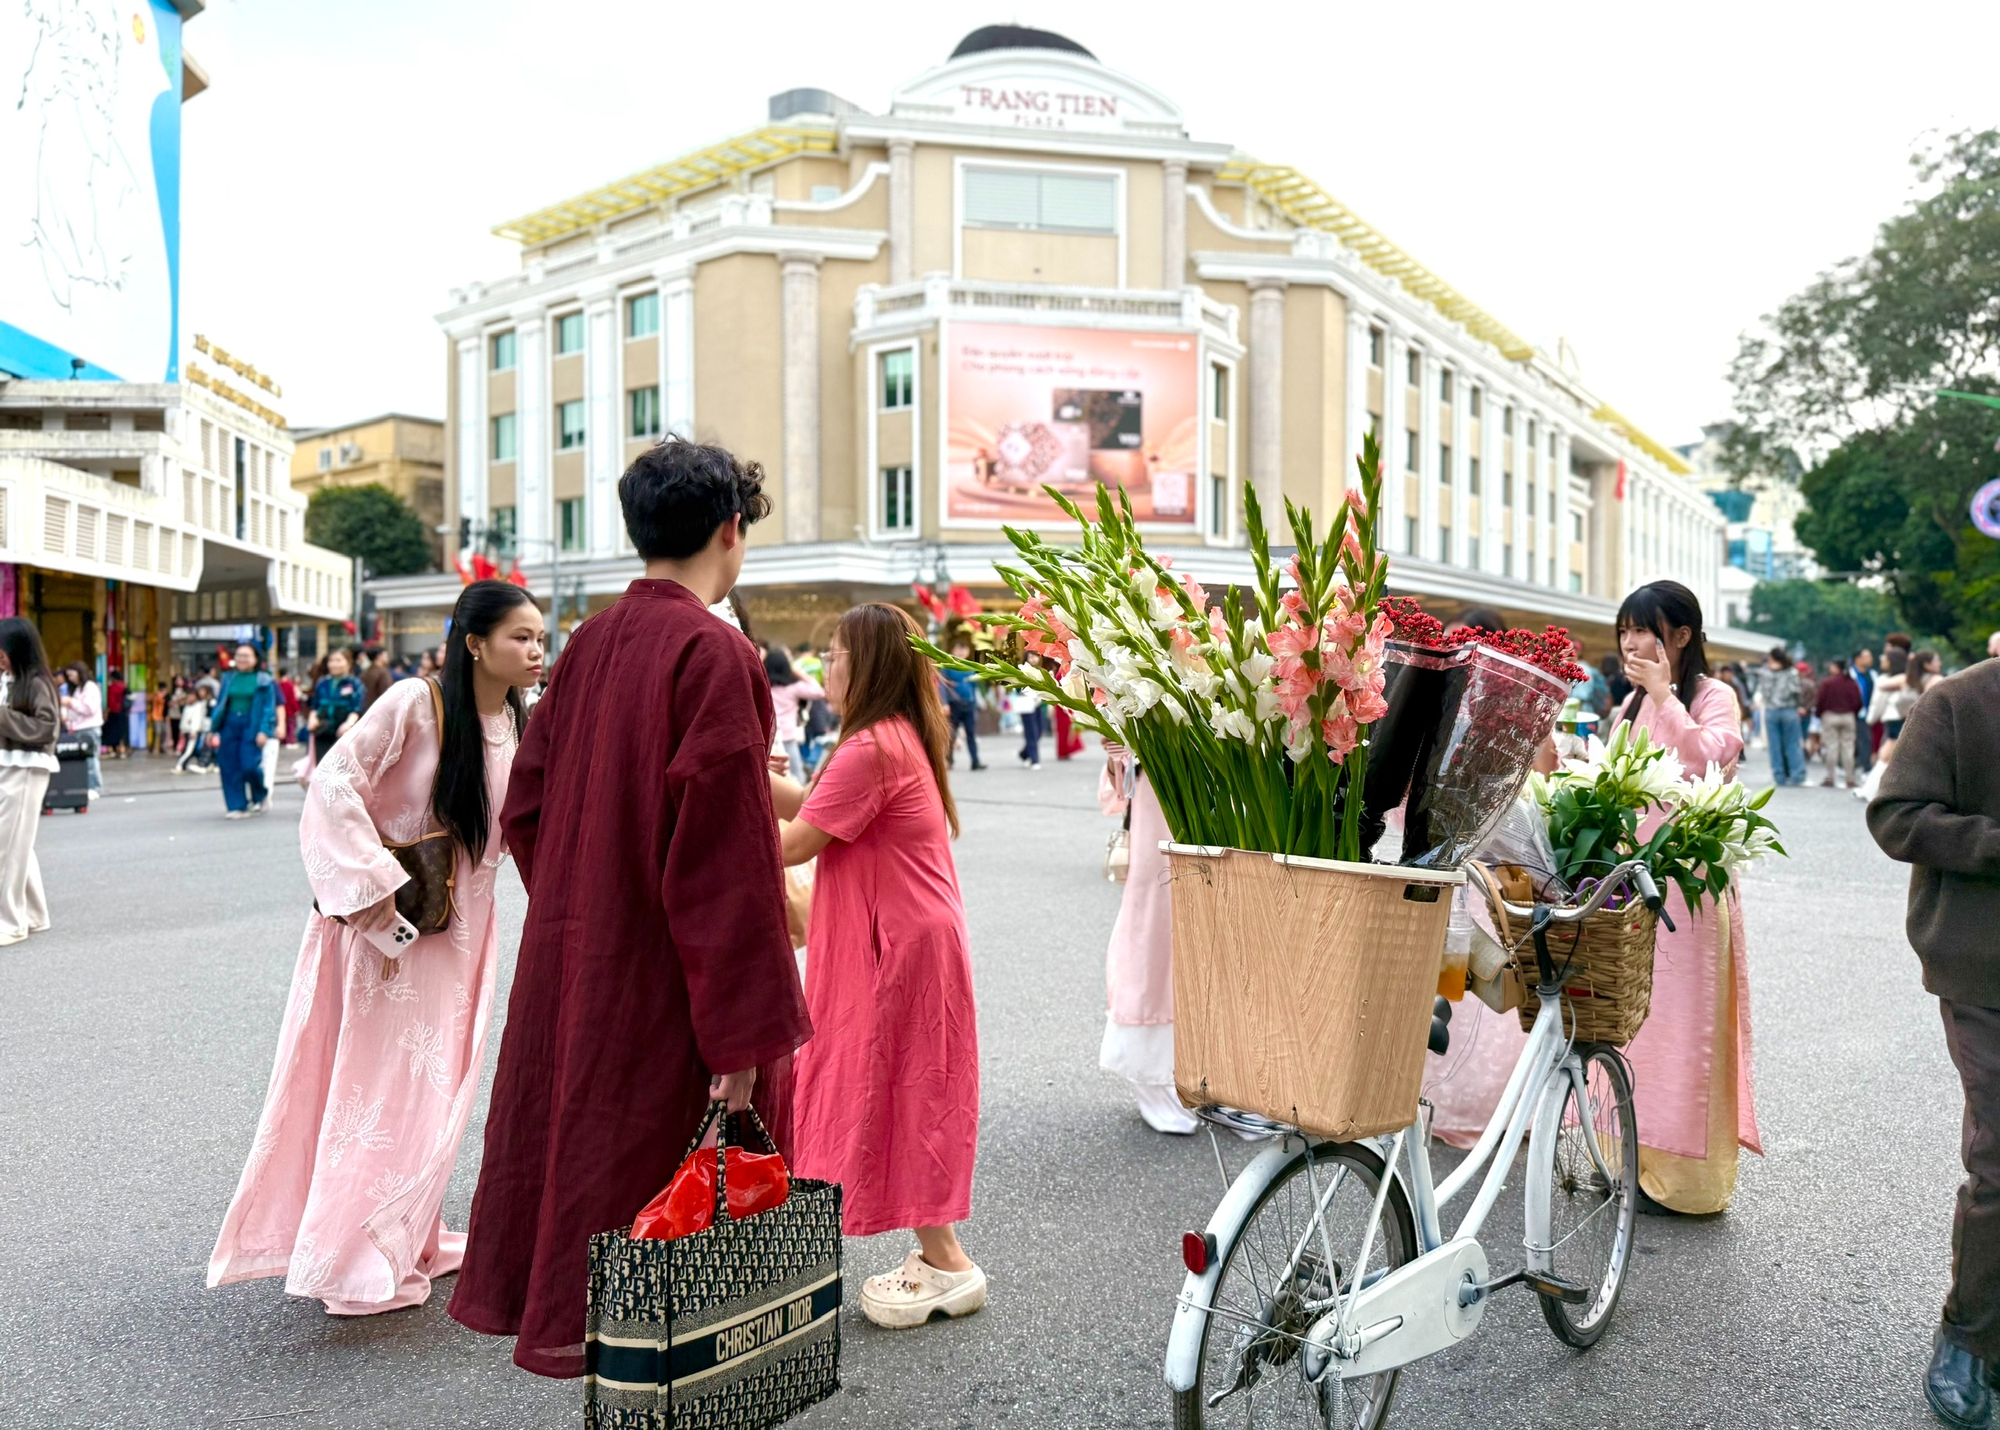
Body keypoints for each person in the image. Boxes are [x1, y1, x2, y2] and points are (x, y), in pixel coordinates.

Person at [450, 437, 810, 1378]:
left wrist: (583, 892)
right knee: (671, 1204)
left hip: (579, 959)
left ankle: (613, 1365)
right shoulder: (714, 652)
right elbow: (725, 862)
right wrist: (740, 1042)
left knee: (585, 1168)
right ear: (732, 533)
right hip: (666, 982)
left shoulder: (587, 646)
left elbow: (524, 804)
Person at [208, 581, 543, 1315]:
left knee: (435, 1089)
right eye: (521, 636)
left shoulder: (520, 723)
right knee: (379, 1086)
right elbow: (334, 783)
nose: (536, 649)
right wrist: (373, 887)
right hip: (394, 933)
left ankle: (407, 1232)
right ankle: (353, 1255)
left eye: (540, 636)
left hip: (464, 938)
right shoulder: (415, 704)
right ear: (475, 642)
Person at [772, 602, 984, 1327]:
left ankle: (949, 1265)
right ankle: (941, 1255)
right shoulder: (892, 736)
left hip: (896, 947)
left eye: (835, 652)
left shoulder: (871, 747)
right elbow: (819, 812)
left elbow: (798, 842)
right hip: (910, 938)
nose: (825, 665)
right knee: (908, 1088)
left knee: (896, 1086)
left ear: (866, 663)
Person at [1866, 652, 2000, 1427]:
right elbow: (1895, 815)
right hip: (1982, 965)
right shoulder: (1957, 701)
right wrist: (1992, 843)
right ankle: (1969, 1339)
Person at [1610, 581, 1759, 1214]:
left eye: (1643, 629)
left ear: (1681, 636)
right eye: (1624, 630)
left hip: (1690, 888)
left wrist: (1667, 697)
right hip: (1632, 884)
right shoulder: (1627, 705)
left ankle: (1683, 1182)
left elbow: (1707, 761)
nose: (1631, 642)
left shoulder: (1711, 695)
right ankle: (1630, 1159)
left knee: (1682, 1030)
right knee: (1632, 1025)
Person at [1097, 745, 1195, 1134]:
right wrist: (1119, 751)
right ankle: (1153, 1075)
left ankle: (1222, 1078)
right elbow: (1114, 793)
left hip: (1227, 788)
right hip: (1158, 812)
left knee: (1226, 934)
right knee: (1155, 934)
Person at [0, 619, 59, 946]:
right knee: (17, 845)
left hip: (26, 768)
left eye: (3, 653)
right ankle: (34, 916)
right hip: (12, 767)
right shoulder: (12, 679)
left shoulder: (36, 683)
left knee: (7, 847)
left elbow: (47, 727)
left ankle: (10, 923)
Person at [208, 645, 278, 819]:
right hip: (230, 724)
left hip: (251, 725)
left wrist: (264, 730)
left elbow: (269, 708)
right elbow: (220, 705)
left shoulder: (264, 680)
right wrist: (212, 729)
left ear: (255, 659)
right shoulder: (228, 678)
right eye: (239, 655)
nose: (242, 659)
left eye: (246, 656)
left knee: (249, 766)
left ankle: (260, 794)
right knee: (229, 766)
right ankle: (237, 806)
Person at [765, 643, 825, 782]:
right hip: (788, 739)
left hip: (769, 741)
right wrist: (796, 671)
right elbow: (819, 692)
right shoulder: (793, 689)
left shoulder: (764, 689)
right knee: (798, 778)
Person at [308, 650, 367, 764]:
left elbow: (357, 707)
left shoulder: (355, 683)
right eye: (331, 661)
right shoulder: (322, 683)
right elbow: (315, 705)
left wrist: (348, 724)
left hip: (344, 732)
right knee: (322, 767)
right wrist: (312, 719)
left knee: (342, 768)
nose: (334, 664)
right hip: (323, 730)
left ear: (348, 663)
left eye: (338, 660)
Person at [1759, 647, 1806, 786]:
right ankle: (1797, 775)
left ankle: (1779, 775)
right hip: (1789, 710)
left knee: (1774, 745)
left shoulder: (1765, 673)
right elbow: (1796, 691)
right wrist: (1798, 705)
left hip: (1771, 711)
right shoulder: (1792, 672)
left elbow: (1764, 692)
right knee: (1792, 744)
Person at [1814, 656, 1863, 789]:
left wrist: (1819, 714)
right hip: (1848, 716)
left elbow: (1820, 700)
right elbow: (1858, 701)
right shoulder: (1852, 683)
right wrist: (1853, 713)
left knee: (1832, 747)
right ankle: (1850, 778)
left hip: (1830, 716)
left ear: (1835, 667)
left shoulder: (1827, 683)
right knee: (1848, 747)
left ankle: (1830, 777)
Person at [59, 663, 103, 800]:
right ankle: (88, 786)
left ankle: (94, 787)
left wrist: (70, 703)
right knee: (85, 760)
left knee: (91, 759)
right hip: (78, 728)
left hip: (89, 728)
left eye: (72, 674)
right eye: (69, 676)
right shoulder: (79, 689)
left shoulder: (90, 687)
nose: (71, 678)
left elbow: (89, 709)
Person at [939, 638, 984, 771]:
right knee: (951, 734)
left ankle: (975, 761)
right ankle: (949, 759)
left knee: (971, 733)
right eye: (958, 649)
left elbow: (974, 686)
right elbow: (942, 686)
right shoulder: (947, 666)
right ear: (953, 650)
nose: (961, 652)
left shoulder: (971, 666)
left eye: (963, 649)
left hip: (969, 704)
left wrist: (976, 703)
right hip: (954, 704)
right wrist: (945, 703)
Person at [1851, 648, 1876, 774]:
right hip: (1852, 712)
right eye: (1867, 656)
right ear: (1858, 659)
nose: (1870, 659)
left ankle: (1865, 767)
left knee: (1865, 740)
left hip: (1867, 712)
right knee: (1853, 741)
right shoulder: (1850, 674)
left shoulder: (1872, 675)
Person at [1014, 683, 1044, 769]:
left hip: (1037, 700)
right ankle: (1034, 760)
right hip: (1026, 700)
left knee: (1040, 730)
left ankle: (1024, 753)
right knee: (1031, 731)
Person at [102, 669, 127, 759]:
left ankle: (112, 749)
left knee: (112, 732)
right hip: (123, 713)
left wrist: (107, 712)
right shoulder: (124, 686)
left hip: (114, 713)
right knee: (121, 732)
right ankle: (122, 750)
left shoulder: (112, 687)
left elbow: (111, 702)